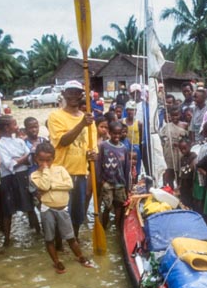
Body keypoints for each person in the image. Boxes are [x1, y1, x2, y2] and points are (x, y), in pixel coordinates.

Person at [30, 142, 95, 273]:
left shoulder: (60, 169)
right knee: (49, 238)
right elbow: (43, 186)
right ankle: (57, 262)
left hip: (62, 209)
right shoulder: (34, 175)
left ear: (53, 159)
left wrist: (51, 186)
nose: (45, 163)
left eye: (48, 160)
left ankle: (80, 257)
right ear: (36, 158)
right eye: (41, 160)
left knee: (70, 237)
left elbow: (69, 185)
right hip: (47, 209)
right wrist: (46, 171)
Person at [47, 80, 97, 239]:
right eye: (70, 92)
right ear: (63, 94)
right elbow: (62, 141)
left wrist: (93, 155)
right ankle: (58, 245)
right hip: (61, 173)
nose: (74, 96)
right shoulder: (55, 116)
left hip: (80, 173)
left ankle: (74, 240)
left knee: (77, 214)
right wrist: (82, 124)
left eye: (77, 92)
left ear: (82, 95)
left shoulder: (89, 120)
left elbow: (92, 146)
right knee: (60, 212)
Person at [0, 115, 40, 245]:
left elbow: (29, 160)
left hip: (23, 176)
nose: (17, 126)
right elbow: (10, 164)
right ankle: (7, 239)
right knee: (8, 210)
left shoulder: (19, 141)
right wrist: (26, 156)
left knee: (30, 206)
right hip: (9, 179)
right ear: (7, 128)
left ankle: (38, 232)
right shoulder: (0, 144)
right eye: (14, 124)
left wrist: (20, 159)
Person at [97, 122, 131, 230]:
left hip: (120, 183)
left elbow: (126, 169)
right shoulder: (103, 146)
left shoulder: (124, 148)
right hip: (107, 182)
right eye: (114, 133)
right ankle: (104, 228)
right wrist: (100, 181)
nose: (117, 136)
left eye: (119, 134)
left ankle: (118, 228)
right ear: (110, 133)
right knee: (107, 206)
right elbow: (99, 165)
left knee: (119, 206)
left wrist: (127, 187)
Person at [159, 106, 188, 176]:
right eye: (172, 115)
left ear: (180, 114)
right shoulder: (167, 126)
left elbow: (187, 138)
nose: (175, 117)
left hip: (180, 152)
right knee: (169, 171)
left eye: (176, 115)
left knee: (180, 171)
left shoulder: (184, 125)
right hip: (169, 151)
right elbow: (162, 138)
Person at [178, 138, 196, 209]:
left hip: (191, 183)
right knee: (184, 202)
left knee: (191, 201)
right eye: (181, 149)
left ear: (189, 146)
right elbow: (182, 171)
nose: (183, 151)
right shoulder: (182, 158)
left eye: (185, 148)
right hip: (184, 184)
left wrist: (185, 171)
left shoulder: (193, 156)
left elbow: (189, 170)